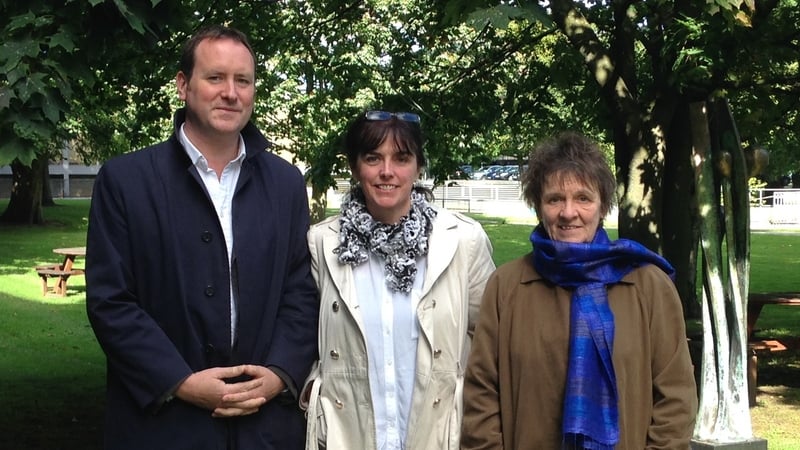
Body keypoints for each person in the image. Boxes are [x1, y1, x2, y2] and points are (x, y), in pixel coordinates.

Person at [85, 25, 319, 449]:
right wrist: (181, 382)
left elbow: (301, 290)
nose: (230, 92)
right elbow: (110, 301)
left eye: (242, 81)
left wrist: (278, 374)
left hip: (264, 427)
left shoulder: (285, 184)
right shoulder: (125, 181)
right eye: (215, 78)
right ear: (183, 86)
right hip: (164, 426)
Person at [461, 132, 698, 449]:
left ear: (603, 206)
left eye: (583, 198)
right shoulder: (507, 286)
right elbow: (481, 396)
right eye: (555, 198)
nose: (568, 212)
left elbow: (676, 398)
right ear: (538, 205)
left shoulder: (649, 286)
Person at [301, 110, 496, 450]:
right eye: (373, 158)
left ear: (419, 166)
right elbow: (305, 340)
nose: (387, 171)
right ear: (354, 167)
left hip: (438, 435)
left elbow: (491, 343)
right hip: (348, 436)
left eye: (401, 158)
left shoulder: (462, 241)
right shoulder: (323, 243)